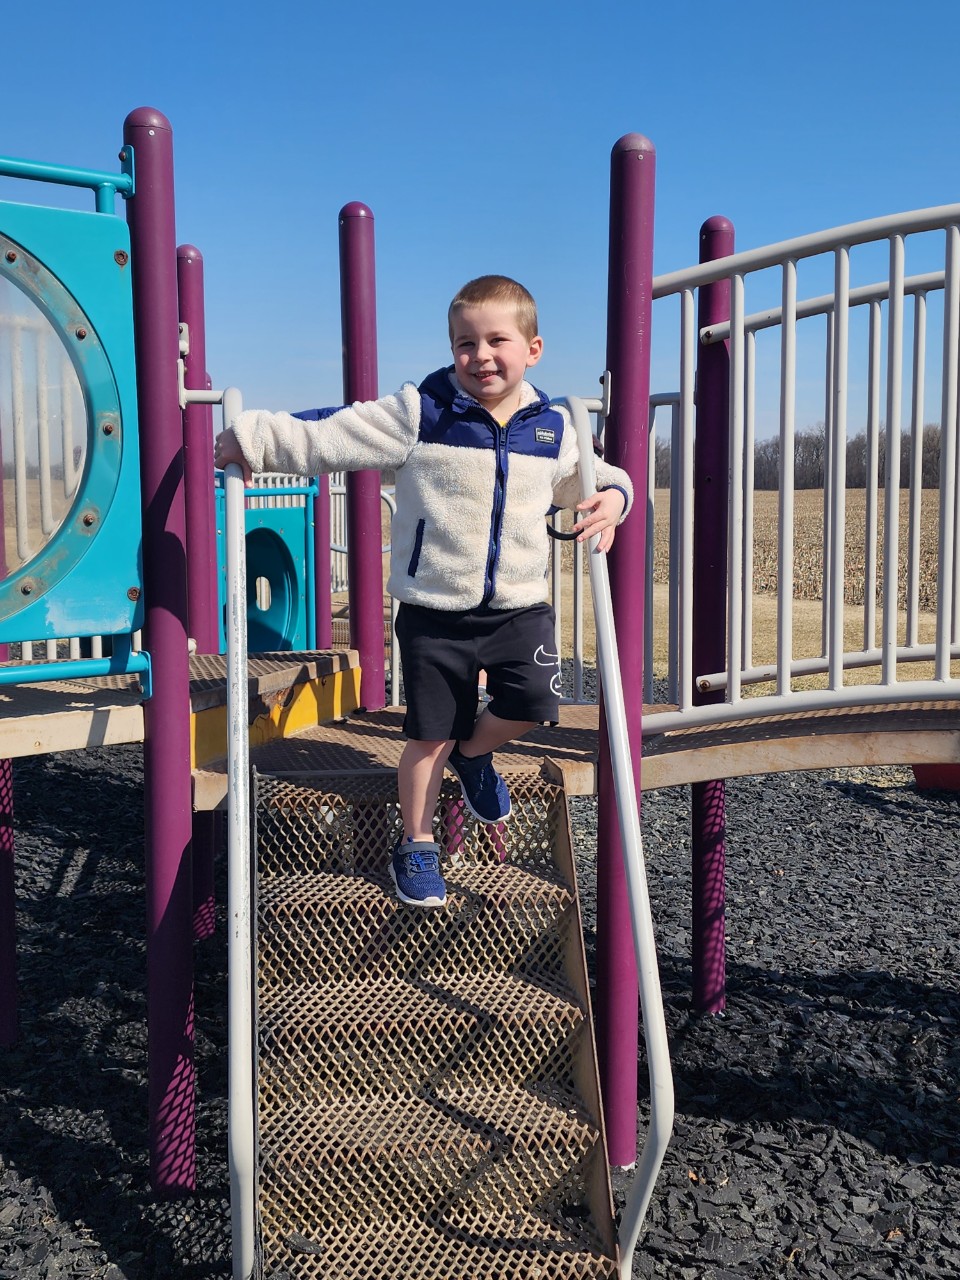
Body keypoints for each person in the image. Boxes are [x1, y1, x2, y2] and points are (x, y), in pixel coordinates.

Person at [215, 275, 633, 909]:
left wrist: (616, 496)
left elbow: (588, 478)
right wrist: (252, 439)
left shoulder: (552, 427)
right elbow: (333, 432)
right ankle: (417, 843)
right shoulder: (423, 412)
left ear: (533, 349)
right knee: (429, 733)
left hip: (520, 604)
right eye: (465, 343)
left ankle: (474, 753)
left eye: (497, 341)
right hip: (434, 608)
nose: (480, 356)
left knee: (533, 700)